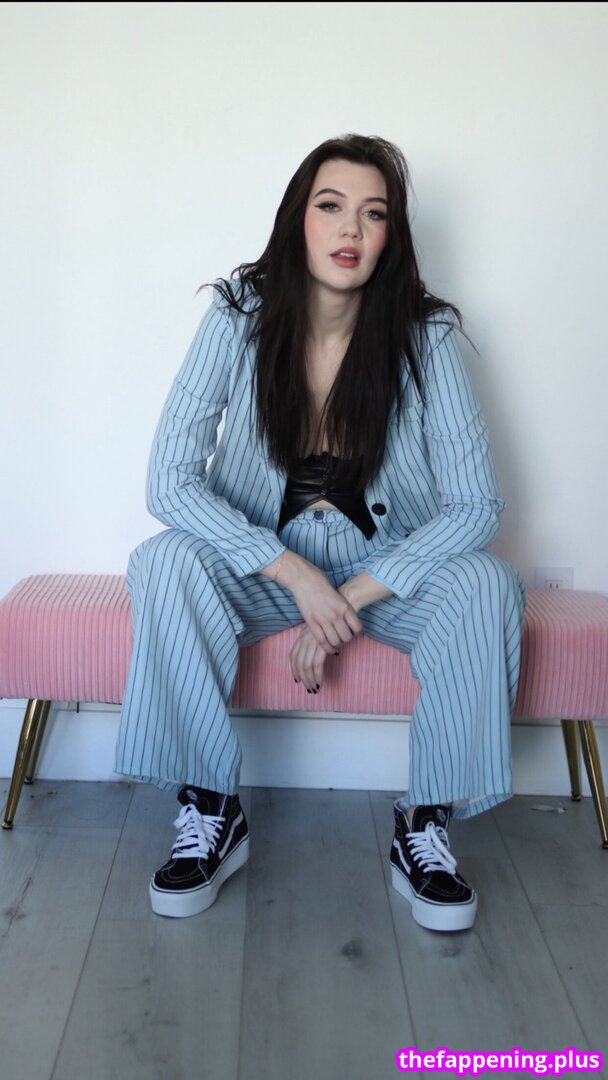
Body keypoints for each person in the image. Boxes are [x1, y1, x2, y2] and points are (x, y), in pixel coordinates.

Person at [115, 133, 526, 933]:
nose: (351, 230)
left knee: (486, 581)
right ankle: (210, 807)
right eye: (331, 206)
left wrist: (351, 594)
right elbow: (169, 481)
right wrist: (296, 576)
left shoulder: (427, 336)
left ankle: (425, 822)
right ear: (297, 219)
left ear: (391, 235)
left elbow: (476, 506)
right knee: (163, 561)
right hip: (265, 563)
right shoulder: (238, 317)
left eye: (374, 214)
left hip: (383, 564)